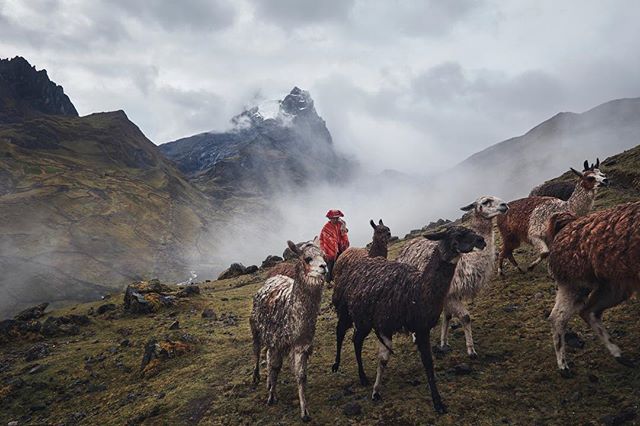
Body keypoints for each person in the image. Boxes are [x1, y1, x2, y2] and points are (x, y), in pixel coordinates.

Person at [319, 209, 350, 281]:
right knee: (330, 266)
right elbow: (323, 239)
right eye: (333, 218)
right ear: (330, 218)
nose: (335, 220)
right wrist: (327, 248)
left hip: (340, 249)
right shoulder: (326, 227)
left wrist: (343, 228)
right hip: (330, 251)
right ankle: (328, 281)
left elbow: (344, 235)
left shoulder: (340, 225)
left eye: (336, 218)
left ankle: (342, 280)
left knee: (343, 265)